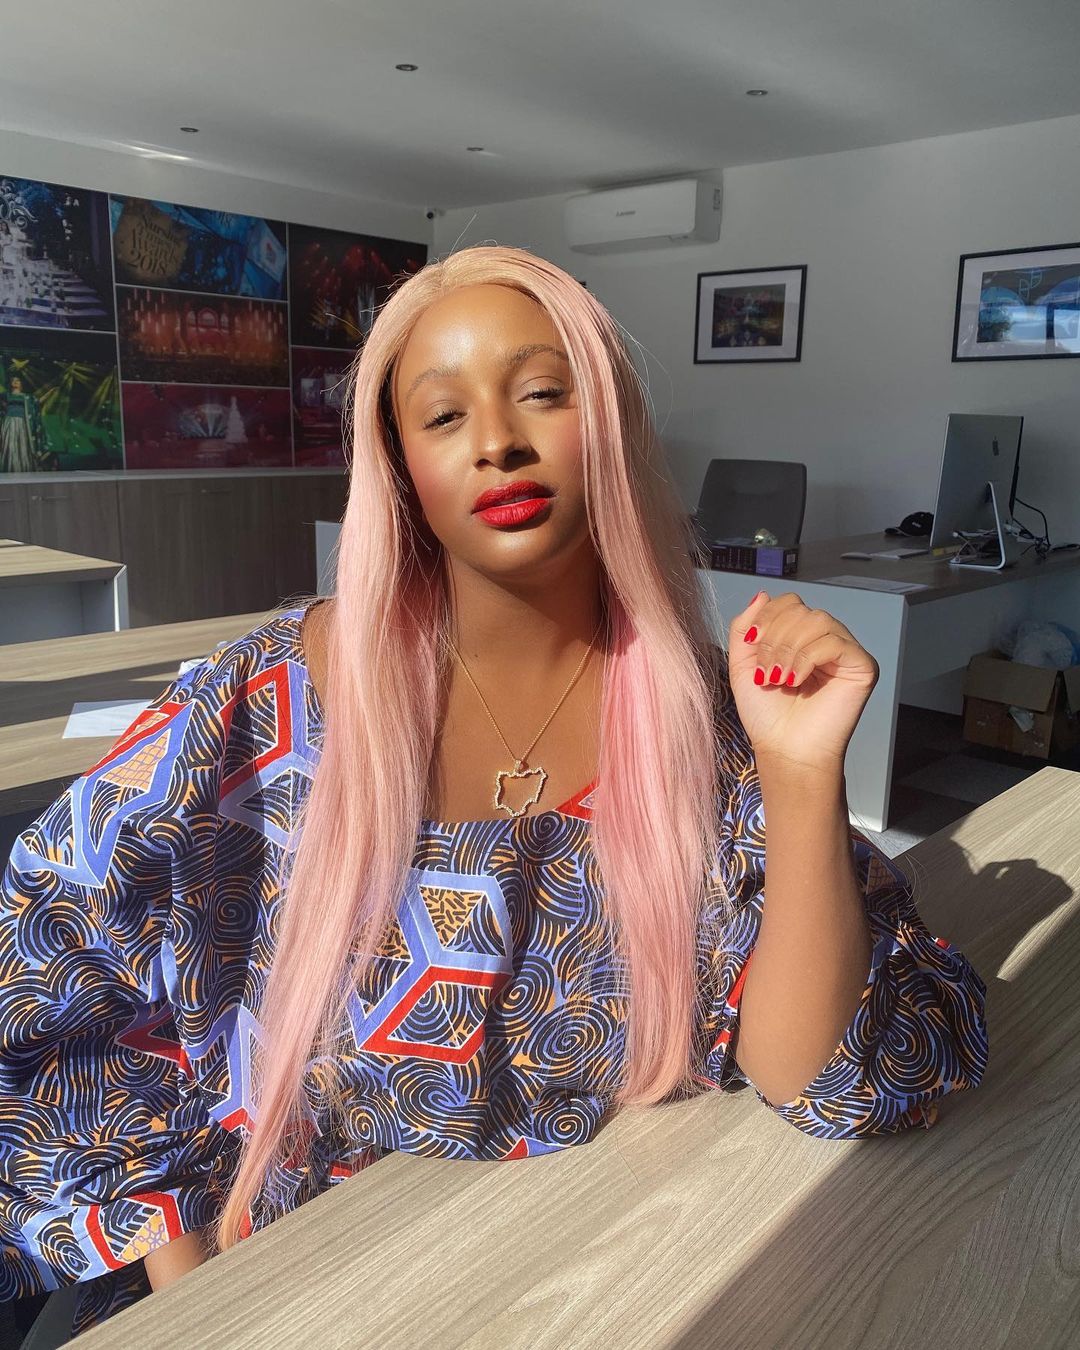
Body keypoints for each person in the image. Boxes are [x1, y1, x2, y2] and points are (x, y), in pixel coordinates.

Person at [0, 245, 989, 1340]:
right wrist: (195, 1293)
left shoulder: (698, 722)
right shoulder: (267, 702)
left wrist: (801, 775)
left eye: (542, 393)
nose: (498, 441)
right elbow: (50, 964)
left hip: (576, 1284)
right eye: (443, 416)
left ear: (611, 426)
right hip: (284, 1286)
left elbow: (833, 1080)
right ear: (401, 471)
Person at [0, 373, 49, 472]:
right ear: (10, 383)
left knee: (23, 445)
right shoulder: (6, 395)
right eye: (13, 380)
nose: (15, 382)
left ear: (21, 383)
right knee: (10, 445)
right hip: (10, 422)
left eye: (17, 380)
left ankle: (23, 467)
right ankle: (9, 467)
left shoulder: (28, 397)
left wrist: (50, 393)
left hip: (23, 424)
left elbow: (37, 403)